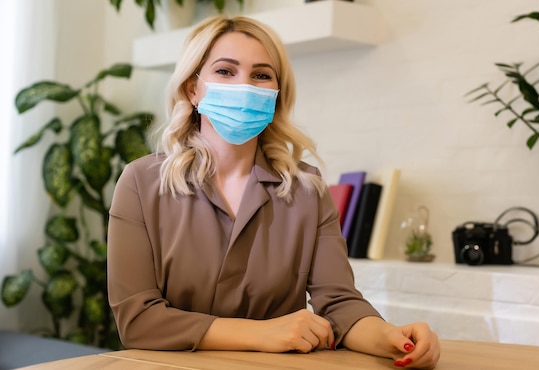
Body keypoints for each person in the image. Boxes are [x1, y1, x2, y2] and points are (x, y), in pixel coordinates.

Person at [107, 15, 440, 369]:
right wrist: (261, 333)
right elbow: (137, 321)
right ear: (193, 88)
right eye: (225, 71)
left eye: (261, 75)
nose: (245, 86)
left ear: (277, 94)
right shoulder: (141, 182)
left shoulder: (307, 189)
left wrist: (392, 338)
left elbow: (340, 304)